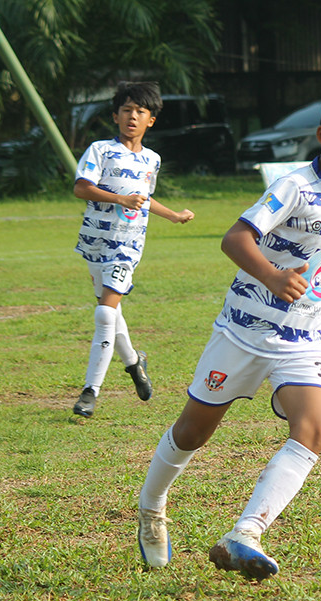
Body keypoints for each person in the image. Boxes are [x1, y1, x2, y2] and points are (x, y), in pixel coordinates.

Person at [135, 85, 321, 579]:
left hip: (306, 338)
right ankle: (152, 507)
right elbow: (235, 238)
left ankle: (245, 534)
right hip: (244, 332)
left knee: (314, 429)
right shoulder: (293, 187)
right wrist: (272, 276)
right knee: (194, 431)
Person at [72, 82, 194, 418]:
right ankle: (134, 361)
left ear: (150, 120)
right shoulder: (100, 150)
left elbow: (144, 198)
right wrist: (120, 199)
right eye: (126, 110)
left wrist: (173, 215)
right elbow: (81, 188)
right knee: (111, 312)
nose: (132, 116)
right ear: (115, 116)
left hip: (127, 246)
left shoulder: (152, 159)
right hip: (96, 240)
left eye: (140, 111)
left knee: (104, 314)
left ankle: (90, 392)